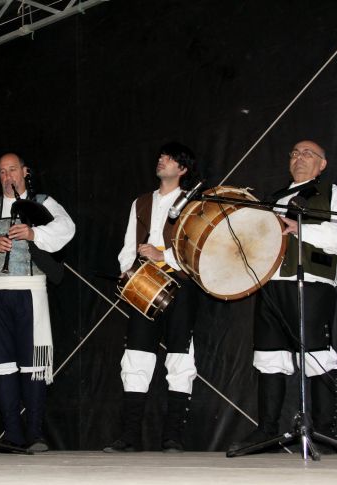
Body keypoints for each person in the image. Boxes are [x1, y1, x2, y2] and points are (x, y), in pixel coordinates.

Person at [227, 140, 337, 453]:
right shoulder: (273, 199)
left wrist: (300, 229)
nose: (300, 157)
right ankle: (267, 431)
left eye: (309, 153)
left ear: (322, 164)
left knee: (316, 356)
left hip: (310, 284)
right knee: (269, 356)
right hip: (272, 286)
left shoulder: (332, 193)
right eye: (295, 153)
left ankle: (326, 433)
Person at [0, 153, 75, 452]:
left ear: (25, 172)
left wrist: (33, 232)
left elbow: (67, 229)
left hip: (30, 288)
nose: (7, 176)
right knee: (2, 363)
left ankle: (36, 434)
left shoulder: (43, 202)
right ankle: (13, 435)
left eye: (12, 170)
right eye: (2, 171)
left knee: (34, 363)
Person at [104, 142, 203, 453]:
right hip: (144, 282)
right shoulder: (141, 202)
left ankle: (173, 437)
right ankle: (129, 436)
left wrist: (164, 255)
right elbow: (127, 245)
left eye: (170, 158)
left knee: (179, 357)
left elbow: (198, 249)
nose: (162, 160)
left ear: (183, 169)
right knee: (136, 355)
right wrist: (128, 270)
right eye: (161, 156)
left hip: (180, 282)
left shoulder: (193, 203)